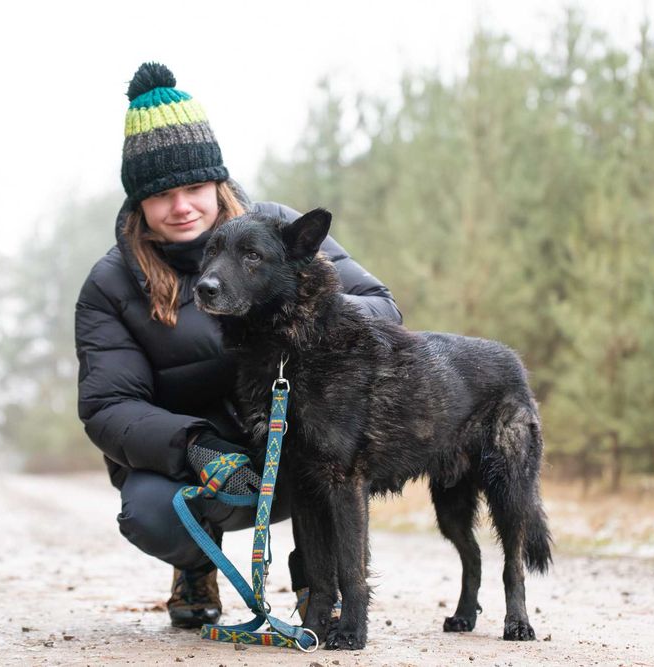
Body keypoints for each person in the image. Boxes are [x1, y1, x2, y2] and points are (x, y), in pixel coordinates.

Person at [75, 62, 402, 629]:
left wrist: (305, 311)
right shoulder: (109, 287)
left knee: (325, 441)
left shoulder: (278, 229)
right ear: (138, 203)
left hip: (293, 434)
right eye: (162, 194)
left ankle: (316, 578)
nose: (183, 207)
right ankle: (196, 566)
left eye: (195, 187)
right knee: (151, 511)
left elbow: (383, 309)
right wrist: (195, 446)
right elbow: (109, 407)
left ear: (218, 183)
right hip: (208, 456)